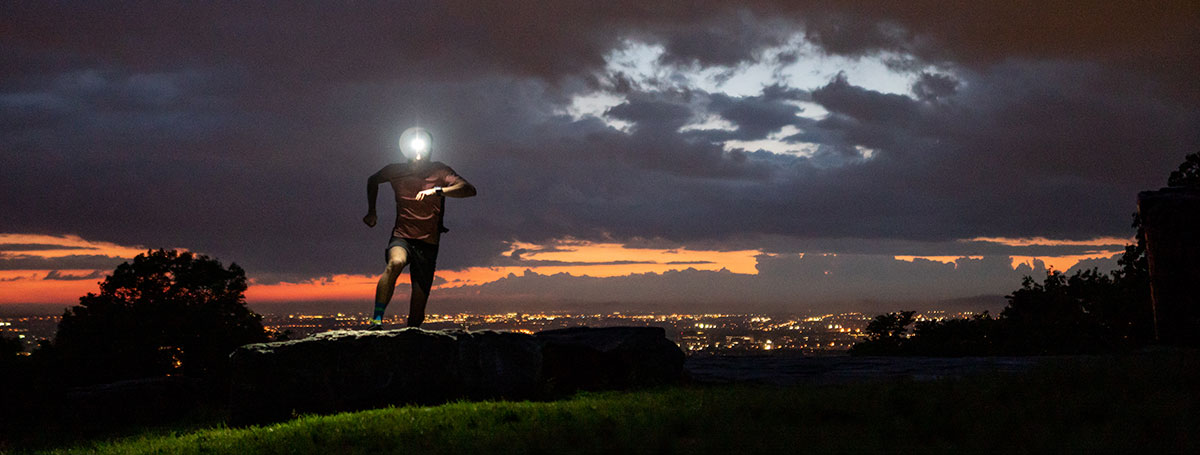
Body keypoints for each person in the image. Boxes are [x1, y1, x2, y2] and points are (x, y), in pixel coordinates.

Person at [363, 136, 476, 328]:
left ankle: (411, 336)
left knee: (417, 311)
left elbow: (468, 189)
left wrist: (437, 191)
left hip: (428, 243)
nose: (417, 156)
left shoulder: (440, 170)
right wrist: (371, 211)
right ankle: (376, 320)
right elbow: (373, 180)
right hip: (402, 236)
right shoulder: (395, 170)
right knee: (395, 263)